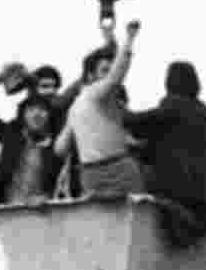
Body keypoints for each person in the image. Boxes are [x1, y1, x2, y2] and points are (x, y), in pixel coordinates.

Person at [123, 61, 206, 246]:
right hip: (203, 188)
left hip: (178, 184)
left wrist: (115, 107)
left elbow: (138, 122)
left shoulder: (174, 106)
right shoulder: (201, 112)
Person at [56, 21, 144, 197]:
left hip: (91, 174)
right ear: (90, 76)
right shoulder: (94, 93)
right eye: (105, 70)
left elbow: (60, 148)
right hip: (114, 171)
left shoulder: (75, 106)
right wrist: (129, 39)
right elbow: (115, 77)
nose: (110, 74)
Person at [0, 72, 64, 211]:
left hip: (46, 212)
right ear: (23, 115)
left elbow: (64, 181)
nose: (37, 114)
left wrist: (48, 196)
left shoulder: (59, 143)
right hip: (8, 211)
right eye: (31, 110)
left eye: (42, 110)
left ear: (50, 116)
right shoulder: (11, 135)